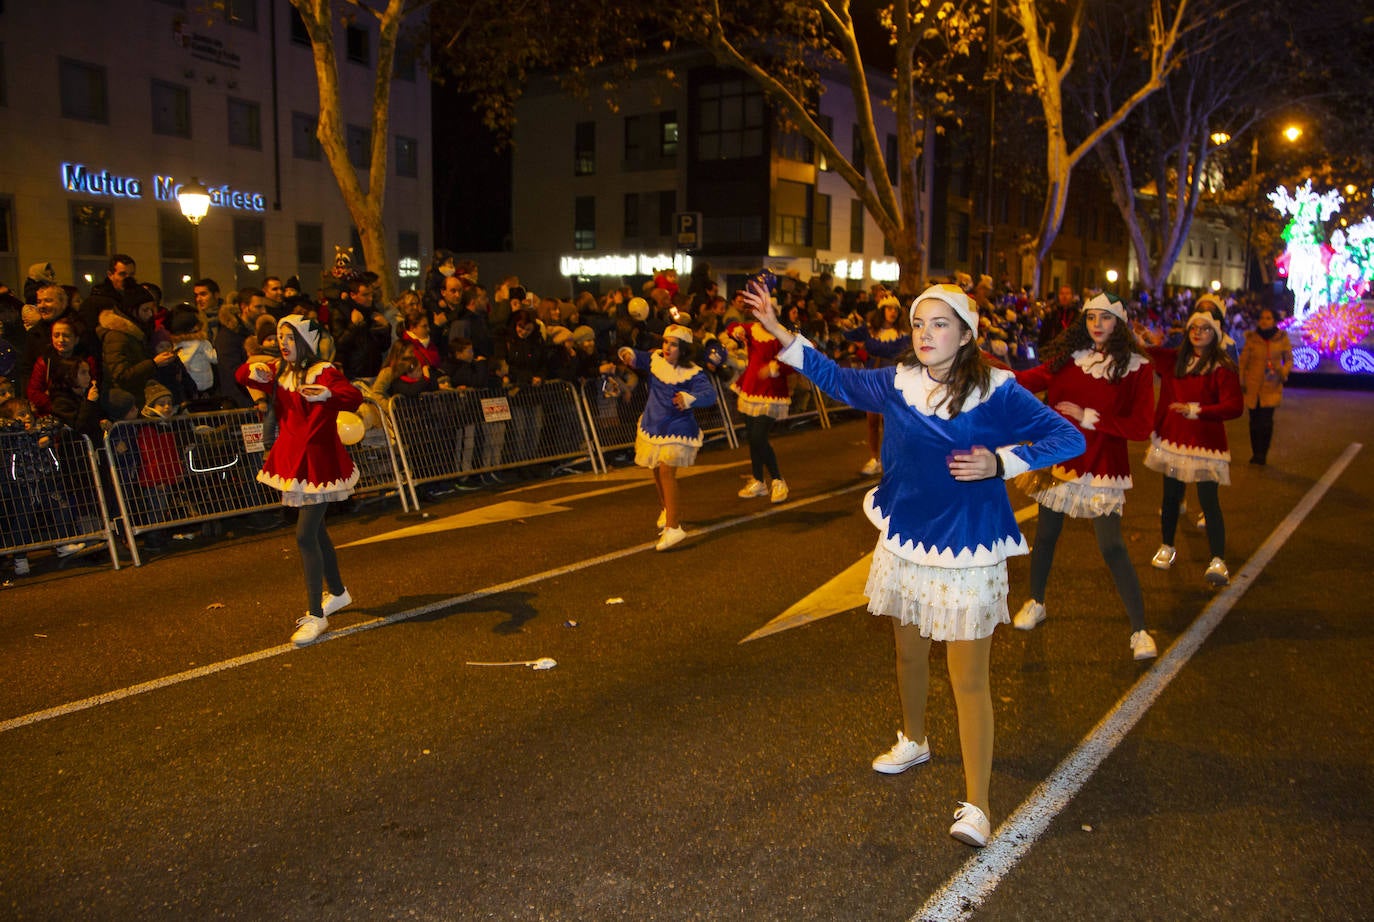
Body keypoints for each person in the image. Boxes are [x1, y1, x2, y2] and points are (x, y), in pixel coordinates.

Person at [743, 280, 1084, 849]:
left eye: (940, 324)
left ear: (967, 334)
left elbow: (1065, 436)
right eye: (919, 324)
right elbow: (838, 378)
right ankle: (915, 739)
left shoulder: (999, 390)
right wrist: (781, 331)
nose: (926, 335)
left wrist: (1001, 462)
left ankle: (978, 804)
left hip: (969, 547)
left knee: (969, 680)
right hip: (905, 540)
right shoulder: (897, 382)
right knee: (907, 651)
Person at [1011, 292, 1159, 661]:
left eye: (1105, 318)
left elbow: (1141, 426)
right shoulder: (1068, 359)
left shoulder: (1137, 368)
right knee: (1045, 536)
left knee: (1111, 545)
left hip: (1103, 464)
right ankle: (1036, 601)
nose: (1097, 324)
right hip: (1059, 459)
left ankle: (1139, 629)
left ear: (1119, 325)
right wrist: (978, 366)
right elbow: (1023, 380)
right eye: (1091, 317)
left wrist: (1089, 416)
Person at [237, 315, 364, 646]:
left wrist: (326, 395)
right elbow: (242, 376)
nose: (282, 343)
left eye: (289, 337)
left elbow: (352, 397)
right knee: (317, 533)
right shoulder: (281, 371)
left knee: (305, 535)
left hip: (320, 463)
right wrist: (257, 370)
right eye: (280, 337)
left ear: (305, 341)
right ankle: (337, 592)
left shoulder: (323, 371)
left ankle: (316, 616)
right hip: (294, 460)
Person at [1141, 310, 1243, 586]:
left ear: (1215, 335)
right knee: (1171, 497)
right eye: (1193, 328)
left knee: (1209, 501)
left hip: (1206, 444)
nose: (1198, 333)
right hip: (1173, 441)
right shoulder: (1176, 360)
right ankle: (1167, 546)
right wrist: (1142, 337)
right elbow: (1145, 353)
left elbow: (1235, 406)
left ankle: (1218, 559)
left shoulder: (1222, 367)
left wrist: (1197, 410)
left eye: (1205, 329)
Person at [617, 323, 719, 551]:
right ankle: (667, 509)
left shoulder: (693, 371)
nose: (667, 348)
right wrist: (627, 353)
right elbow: (637, 356)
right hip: (653, 423)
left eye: (673, 344)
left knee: (666, 470)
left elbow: (709, 395)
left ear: (683, 349)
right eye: (665, 342)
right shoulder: (656, 361)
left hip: (678, 426)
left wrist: (689, 398)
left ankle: (674, 527)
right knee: (655, 468)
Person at [725, 308, 793, 503]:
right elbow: (731, 327)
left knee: (758, 436)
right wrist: (736, 331)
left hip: (771, 392)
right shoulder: (752, 328)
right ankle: (758, 480)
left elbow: (796, 360)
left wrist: (776, 367)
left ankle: (778, 480)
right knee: (753, 438)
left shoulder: (782, 334)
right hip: (750, 388)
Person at [1237, 307, 1293, 465]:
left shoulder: (1281, 338)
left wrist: (1283, 371)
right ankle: (1255, 453)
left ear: (1274, 321)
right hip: (1253, 386)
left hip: (1271, 385)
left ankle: (1262, 454)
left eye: (1268, 318)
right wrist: (1242, 381)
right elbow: (1243, 362)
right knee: (1254, 422)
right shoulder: (1252, 338)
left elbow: (1289, 359)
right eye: (1262, 318)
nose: (1264, 321)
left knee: (1266, 421)